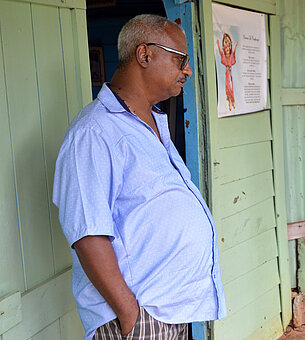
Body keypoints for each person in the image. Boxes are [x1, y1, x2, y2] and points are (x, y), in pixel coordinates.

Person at [53, 14, 226, 340]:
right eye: (181, 59)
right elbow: (88, 233)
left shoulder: (151, 123)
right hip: (137, 319)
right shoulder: (94, 132)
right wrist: (131, 316)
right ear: (145, 54)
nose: (187, 70)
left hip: (168, 312)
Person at [216, 33, 237, 111]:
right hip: (226, 73)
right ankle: (230, 103)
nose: (227, 51)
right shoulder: (224, 56)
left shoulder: (231, 56)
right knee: (227, 88)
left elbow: (233, 53)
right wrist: (218, 45)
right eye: (226, 49)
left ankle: (233, 101)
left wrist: (235, 46)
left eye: (228, 49)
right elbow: (221, 52)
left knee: (230, 87)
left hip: (229, 73)